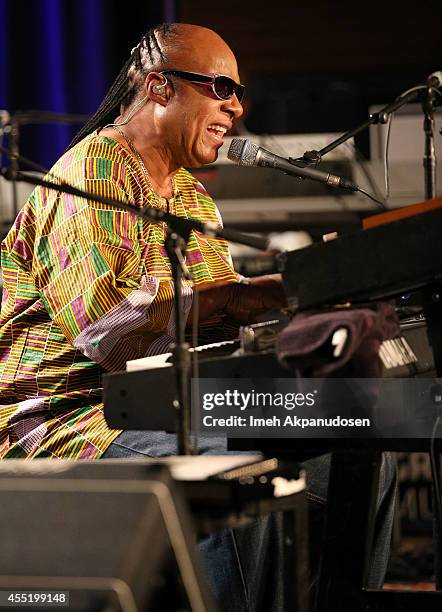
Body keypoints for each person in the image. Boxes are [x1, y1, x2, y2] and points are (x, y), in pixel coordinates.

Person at [0, 22, 395, 610]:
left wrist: (311, 293)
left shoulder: (189, 196)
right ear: (158, 87)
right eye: (220, 86)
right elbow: (108, 341)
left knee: (362, 444)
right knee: (240, 465)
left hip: (169, 405)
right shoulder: (92, 173)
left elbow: (213, 323)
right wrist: (248, 294)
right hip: (69, 423)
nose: (236, 106)